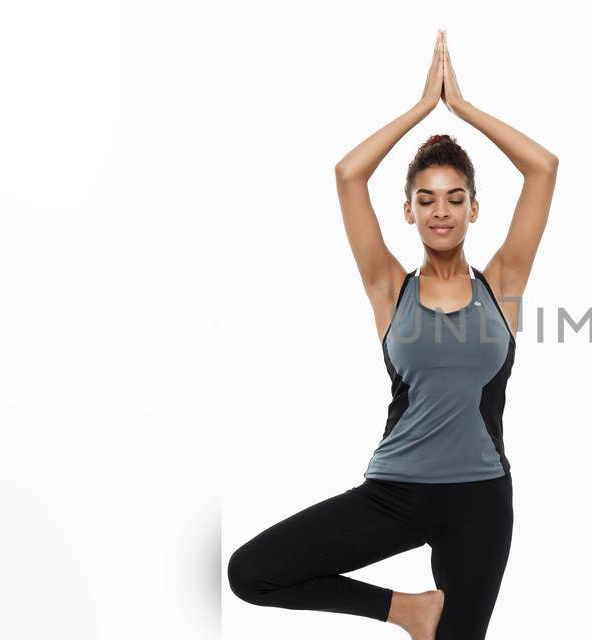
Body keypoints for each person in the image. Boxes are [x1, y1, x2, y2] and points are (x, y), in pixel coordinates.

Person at [226, 29, 557, 640]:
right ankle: (407, 611)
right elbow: (349, 175)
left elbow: (543, 168)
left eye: (455, 198)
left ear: (473, 209)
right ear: (408, 210)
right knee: (251, 572)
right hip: (394, 493)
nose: (440, 210)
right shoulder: (388, 288)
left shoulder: (503, 282)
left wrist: (461, 109)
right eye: (425, 198)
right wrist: (418, 110)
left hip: (481, 501)